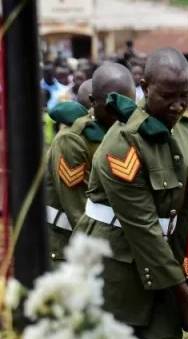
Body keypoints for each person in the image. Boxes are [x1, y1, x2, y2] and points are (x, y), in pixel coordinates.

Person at [74, 48, 188, 339]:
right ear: (144, 87)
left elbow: (186, 213)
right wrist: (185, 296)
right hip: (113, 275)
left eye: (184, 95)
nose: (177, 105)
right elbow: (143, 230)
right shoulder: (121, 145)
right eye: (167, 96)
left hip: (164, 275)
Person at [45, 63, 136, 265]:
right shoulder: (73, 141)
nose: (121, 111)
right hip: (67, 249)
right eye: (112, 105)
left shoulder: (124, 135)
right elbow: (79, 212)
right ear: (93, 104)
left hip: (105, 244)